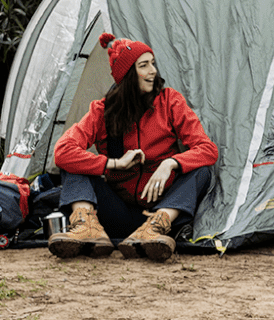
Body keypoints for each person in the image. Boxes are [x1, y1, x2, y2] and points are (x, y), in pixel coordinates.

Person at [47, 33, 219, 262]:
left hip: (161, 211)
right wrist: (113, 164)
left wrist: (171, 163)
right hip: (118, 212)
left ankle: (154, 230)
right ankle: (87, 227)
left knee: (202, 171)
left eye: (153, 64)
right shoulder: (102, 111)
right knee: (73, 163)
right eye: (144, 66)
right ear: (128, 75)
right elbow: (62, 151)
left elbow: (207, 149)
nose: (153, 71)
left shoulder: (170, 102)